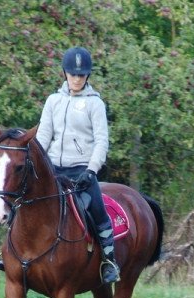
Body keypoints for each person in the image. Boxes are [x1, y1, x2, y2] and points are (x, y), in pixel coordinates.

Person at [35, 46, 120, 284]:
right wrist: (38, 164)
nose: (76, 79)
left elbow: (102, 141)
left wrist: (91, 170)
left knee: (98, 211)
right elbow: (43, 136)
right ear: (65, 73)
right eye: (72, 74)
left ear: (87, 76)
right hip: (52, 170)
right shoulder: (53, 101)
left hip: (82, 170)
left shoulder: (95, 104)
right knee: (23, 200)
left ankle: (109, 261)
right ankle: (9, 251)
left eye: (81, 75)